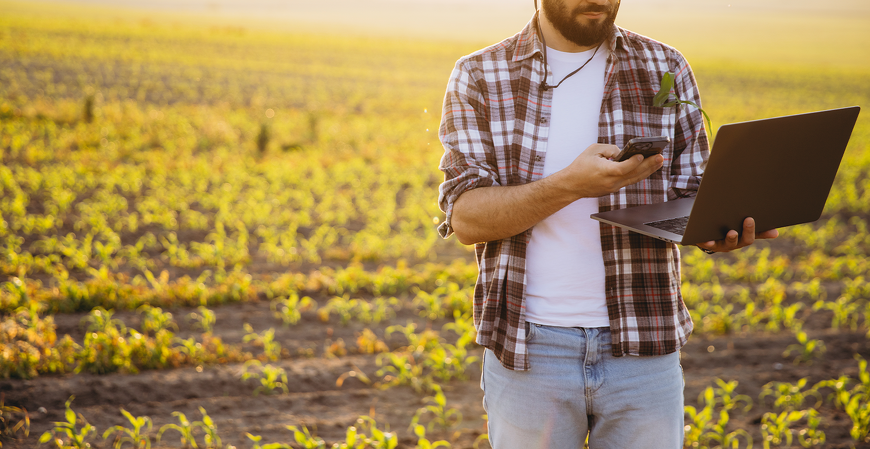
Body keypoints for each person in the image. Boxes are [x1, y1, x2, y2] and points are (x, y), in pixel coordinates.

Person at [436, 0, 778, 447]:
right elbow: (466, 218)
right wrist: (570, 185)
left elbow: (694, 193)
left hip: (645, 347)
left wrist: (720, 229)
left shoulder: (665, 65)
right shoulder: (480, 74)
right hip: (528, 350)